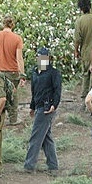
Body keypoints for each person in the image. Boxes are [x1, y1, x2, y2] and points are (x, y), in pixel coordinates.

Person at [23, 47, 62, 175]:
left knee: (36, 136)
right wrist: (32, 106)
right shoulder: (35, 72)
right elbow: (34, 91)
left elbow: (57, 91)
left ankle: (29, 165)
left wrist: (54, 105)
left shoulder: (54, 73)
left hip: (47, 108)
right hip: (39, 106)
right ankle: (53, 166)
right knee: (46, 137)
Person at [0, 15, 25, 126]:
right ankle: (13, 120)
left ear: (3, 24)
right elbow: (19, 59)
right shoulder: (17, 38)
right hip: (12, 72)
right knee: (12, 96)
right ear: (13, 25)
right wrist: (22, 75)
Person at [74, 0, 92, 99]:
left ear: (80, 9)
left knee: (86, 74)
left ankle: (84, 96)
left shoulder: (80, 21)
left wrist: (76, 51)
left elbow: (77, 39)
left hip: (86, 53)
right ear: (90, 6)